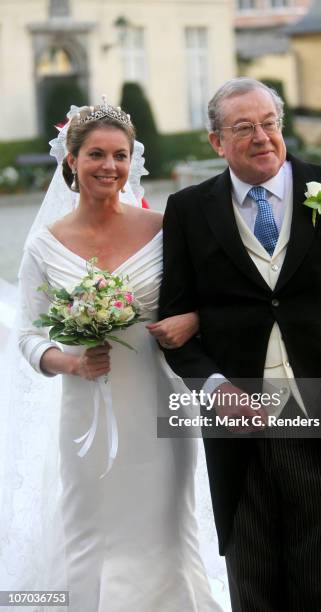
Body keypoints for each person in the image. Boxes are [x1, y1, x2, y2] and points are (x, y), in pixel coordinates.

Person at [159, 78, 321, 611]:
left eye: (269, 123)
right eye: (243, 127)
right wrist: (216, 388)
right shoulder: (189, 210)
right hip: (240, 427)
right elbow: (173, 325)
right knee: (254, 580)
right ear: (217, 142)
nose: (261, 137)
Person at [15, 101, 222, 611]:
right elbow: (26, 334)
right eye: (96, 155)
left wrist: (191, 319)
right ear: (71, 159)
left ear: (133, 162)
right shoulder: (44, 244)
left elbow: (206, 300)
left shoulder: (162, 229)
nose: (109, 166)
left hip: (158, 401)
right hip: (86, 410)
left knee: (166, 527)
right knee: (91, 528)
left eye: (120, 155)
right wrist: (71, 362)